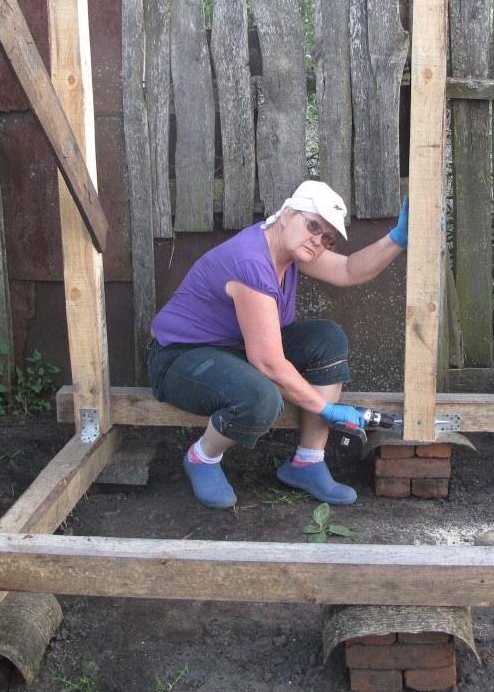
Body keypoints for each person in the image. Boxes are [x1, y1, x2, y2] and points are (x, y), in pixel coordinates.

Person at [148, 180, 409, 510]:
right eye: (313, 226)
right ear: (286, 214)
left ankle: (307, 462)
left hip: (234, 349)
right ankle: (203, 456)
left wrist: (397, 238)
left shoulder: (291, 250)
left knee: (326, 338)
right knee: (261, 398)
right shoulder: (251, 263)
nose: (318, 240)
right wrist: (328, 409)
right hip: (180, 359)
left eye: (327, 237)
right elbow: (268, 363)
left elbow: (348, 269)